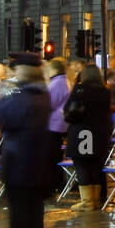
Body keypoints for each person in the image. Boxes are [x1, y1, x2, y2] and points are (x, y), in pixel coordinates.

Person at [0, 54, 52, 228]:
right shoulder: (41, 93)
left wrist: (1, 93)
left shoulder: (24, 96)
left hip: (21, 163)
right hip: (38, 163)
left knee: (20, 215)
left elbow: (4, 116)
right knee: (34, 215)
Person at [65, 63, 113, 211]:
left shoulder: (80, 89)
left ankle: (87, 202)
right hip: (100, 133)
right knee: (95, 165)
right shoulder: (105, 91)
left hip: (81, 132)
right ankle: (96, 200)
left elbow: (69, 110)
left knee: (82, 166)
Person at [46, 57, 70, 194]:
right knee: (55, 154)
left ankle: (55, 182)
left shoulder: (57, 83)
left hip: (54, 124)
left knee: (52, 155)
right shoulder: (62, 81)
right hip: (60, 123)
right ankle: (57, 181)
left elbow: (49, 103)